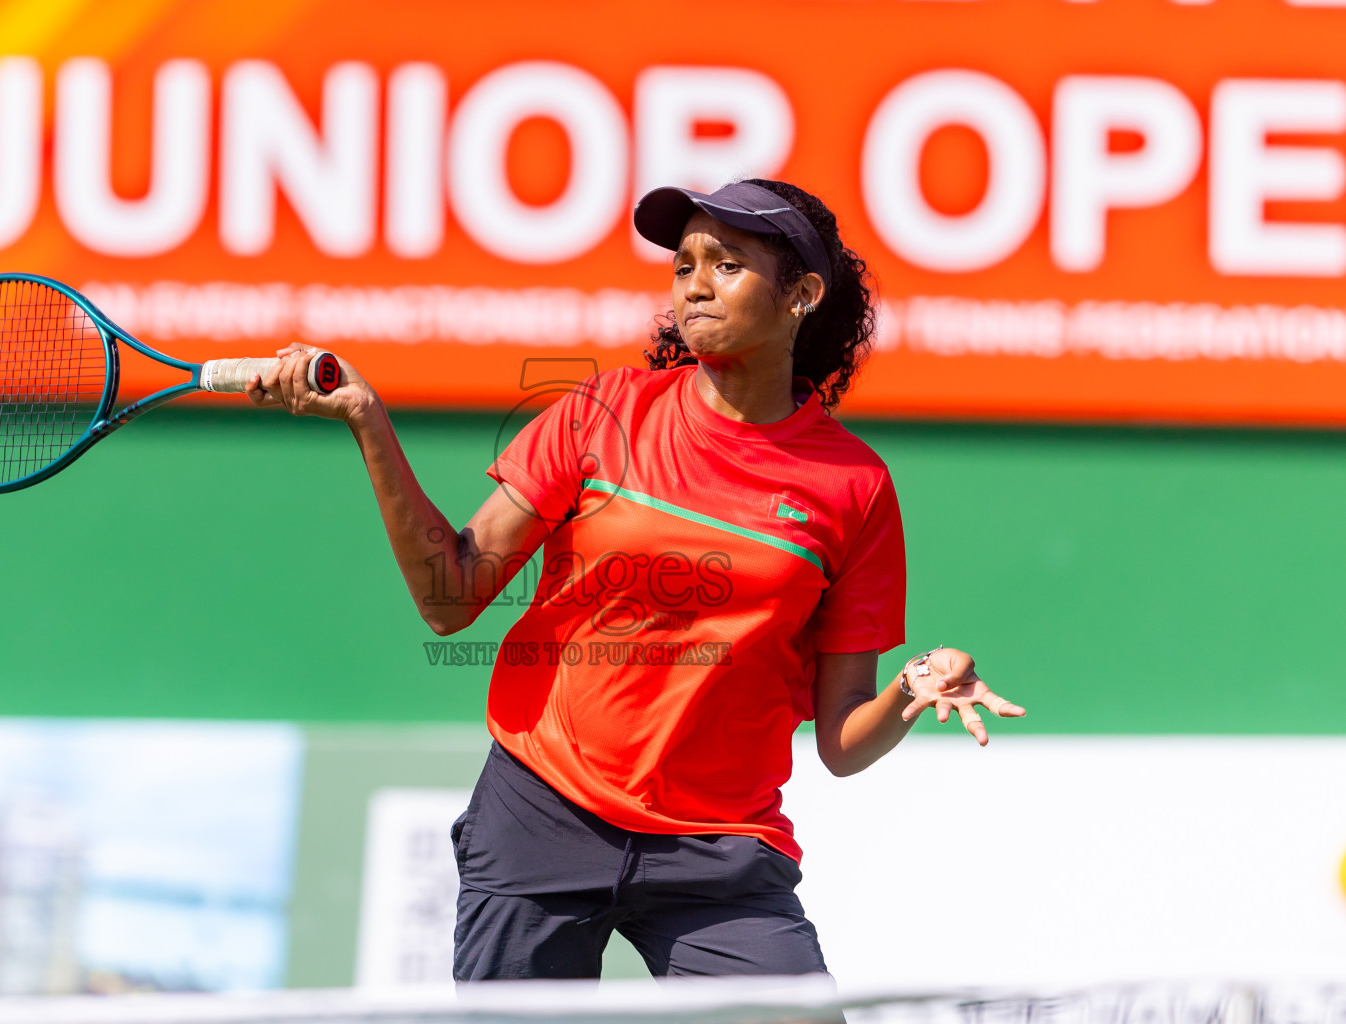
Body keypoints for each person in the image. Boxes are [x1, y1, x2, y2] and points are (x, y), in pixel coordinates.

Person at [246, 178, 1026, 981]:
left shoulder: (854, 486)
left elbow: (841, 745)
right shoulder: (601, 412)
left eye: (726, 264)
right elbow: (451, 599)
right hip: (541, 809)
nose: (694, 283)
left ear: (802, 294)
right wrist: (368, 421)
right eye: (683, 264)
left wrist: (910, 686)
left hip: (719, 850)